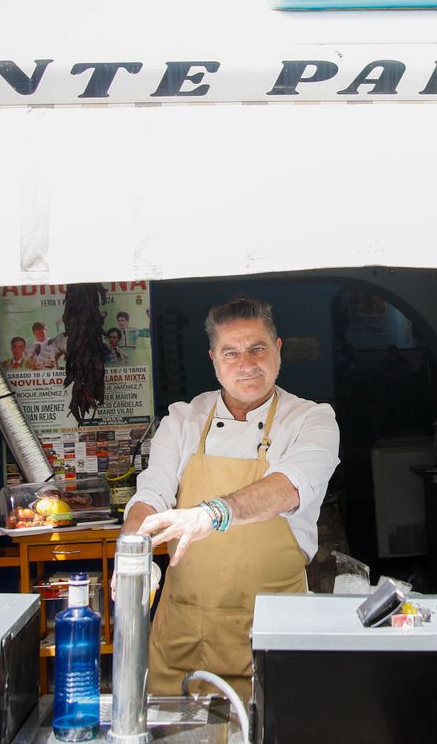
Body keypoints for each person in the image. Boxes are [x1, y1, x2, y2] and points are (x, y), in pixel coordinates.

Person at [123, 296, 339, 701]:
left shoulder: (312, 420)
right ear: (213, 359)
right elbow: (151, 493)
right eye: (231, 352)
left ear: (278, 349)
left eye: (257, 348)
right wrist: (133, 552)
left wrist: (213, 514)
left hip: (273, 632)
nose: (247, 363)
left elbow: (288, 486)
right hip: (183, 634)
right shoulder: (183, 420)